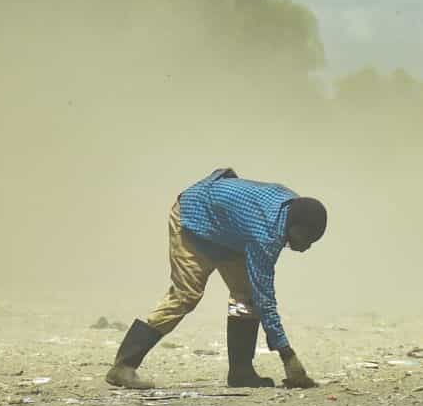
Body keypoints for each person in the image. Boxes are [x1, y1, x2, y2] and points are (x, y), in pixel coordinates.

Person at [106, 168, 326, 391]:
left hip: (226, 232)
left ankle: (241, 373)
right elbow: (265, 299)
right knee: (186, 296)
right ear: (295, 227)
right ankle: (124, 366)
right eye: (304, 240)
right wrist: (287, 355)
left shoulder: (292, 206)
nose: (304, 248)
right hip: (192, 220)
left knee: (246, 297)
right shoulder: (265, 234)